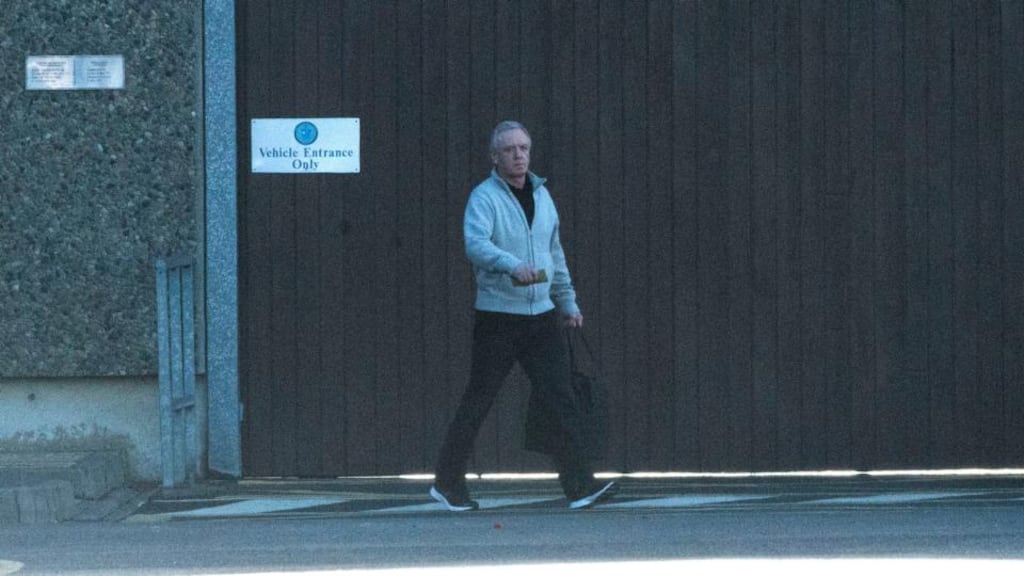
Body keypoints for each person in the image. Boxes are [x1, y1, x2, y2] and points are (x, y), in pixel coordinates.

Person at [430, 120, 617, 511]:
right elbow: (475, 244)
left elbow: (554, 251)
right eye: (509, 150)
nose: (518, 156)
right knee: (479, 399)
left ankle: (580, 486)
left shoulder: (543, 195)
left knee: (561, 396)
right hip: (499, 317)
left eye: (524, 148)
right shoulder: (484, 198)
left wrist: (567, 302)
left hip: (542, 316)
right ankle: (447, 482)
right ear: (494, 157)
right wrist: (510, 264)